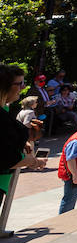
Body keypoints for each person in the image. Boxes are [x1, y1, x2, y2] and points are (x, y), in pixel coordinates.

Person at [1, 65, 35, 202]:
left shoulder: (4, 108)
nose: (23, 87)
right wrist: (33, 161)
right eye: (19, 83)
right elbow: (6, 158)